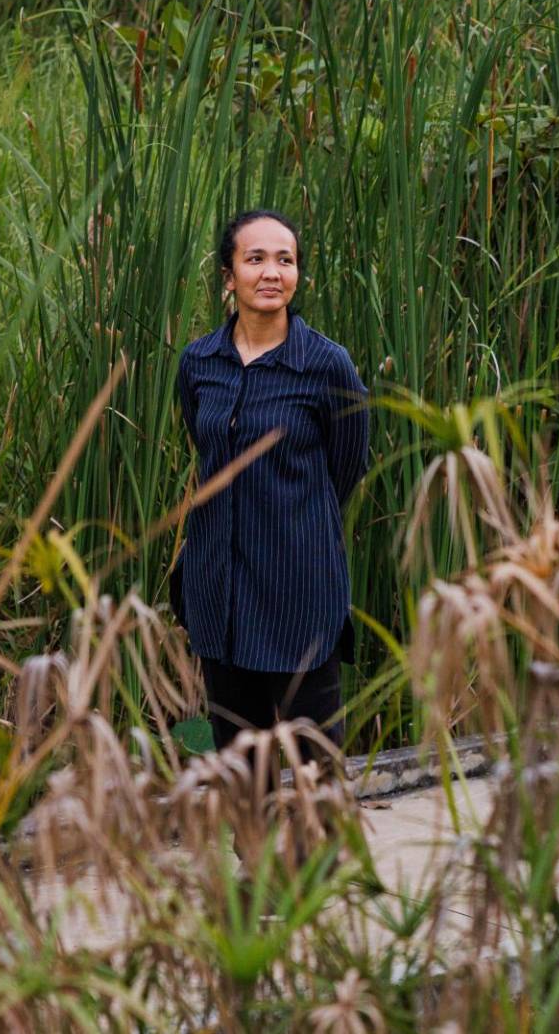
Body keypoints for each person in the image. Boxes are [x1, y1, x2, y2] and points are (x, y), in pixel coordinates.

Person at [172, 209, 369, 762]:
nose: (271, 272)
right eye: (255, 258)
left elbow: (345, 467)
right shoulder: (199, 363)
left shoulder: (327, 366)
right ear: (228, 276)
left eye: (285, 259)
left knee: (315, 765)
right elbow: (207, 446)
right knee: (241, 764)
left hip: (300, 593)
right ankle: (253, 851)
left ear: (297, 274)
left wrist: (289, 521)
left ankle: (323, 852)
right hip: (220, 590)